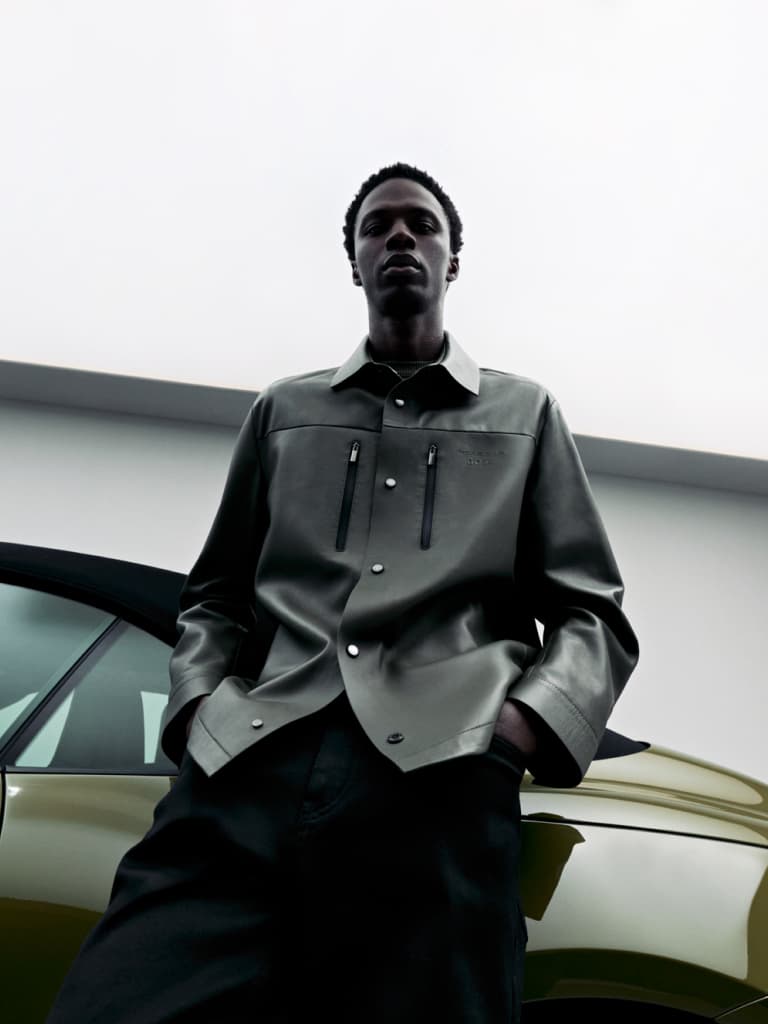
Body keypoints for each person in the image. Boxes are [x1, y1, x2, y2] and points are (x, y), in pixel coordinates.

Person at [46, 162, 638, 1024]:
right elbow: (215, 597)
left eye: (423, 225)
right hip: (246, 770)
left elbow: (593, 613)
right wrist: (196, 711)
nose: (401, 237)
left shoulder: (525, 413)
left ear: (452, 261)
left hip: (437, 787)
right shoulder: (283, 411)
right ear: (355, 263)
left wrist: (515, 731)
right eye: (378, 227)